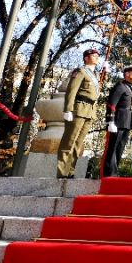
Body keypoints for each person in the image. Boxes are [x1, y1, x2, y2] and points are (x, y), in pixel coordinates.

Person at [56, 49, 101, 178]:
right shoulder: (80, 71)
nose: (97, 57)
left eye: (97, 56)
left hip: (90, 111)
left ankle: (70, 171)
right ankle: (62, 172)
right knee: (69, 141)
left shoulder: (96, 75)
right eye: (93, 55)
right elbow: (71, 91)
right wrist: (68, 109)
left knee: (78, 144)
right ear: (86, 58)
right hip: (79, 109)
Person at [102, 64, 132, 177]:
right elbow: (111, 104)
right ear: (127, 74)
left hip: (127, 122)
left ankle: (114, 171)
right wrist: (110, 121)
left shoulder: (130, 88)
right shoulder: (120, 86)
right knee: (113, 148)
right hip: (118, 121)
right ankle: (109, 173)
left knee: (120, 148)